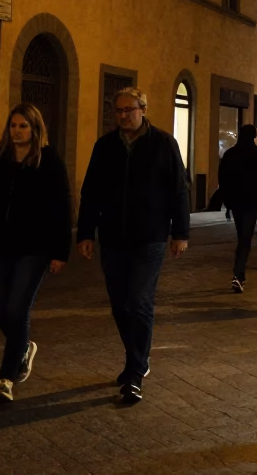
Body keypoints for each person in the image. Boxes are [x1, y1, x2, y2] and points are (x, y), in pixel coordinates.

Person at [77, 87, 189, 404]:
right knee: (119, 303)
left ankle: (136, 370)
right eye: (119, 110)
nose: (124, 115)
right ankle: (136, 355)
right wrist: (85, 232)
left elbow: (179, 190)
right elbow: (91, 192)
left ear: (143, 109)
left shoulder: (163, 143)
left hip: (149, 236)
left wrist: (180, 232)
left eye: (130, 109)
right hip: (112, 237)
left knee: (139, 300)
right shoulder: (105, 147)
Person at [0, 103, 72, 402]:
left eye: (23, 126)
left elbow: (62, 207)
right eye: (13, 126)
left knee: (18, 309)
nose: (18, 131)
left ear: (35, 129)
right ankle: (23, 347)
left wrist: (60, 251)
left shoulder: (49, 161)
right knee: (1, 311)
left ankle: (6, 378)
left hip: (35, 249)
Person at [218, 124, 257, 293]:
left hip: (235, 201)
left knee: (243, 235)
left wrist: (226, 201)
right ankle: (238, 274)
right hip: (251, 201)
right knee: (245, 239)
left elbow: (222, 178)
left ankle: (240, 274)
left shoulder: (230, 154)